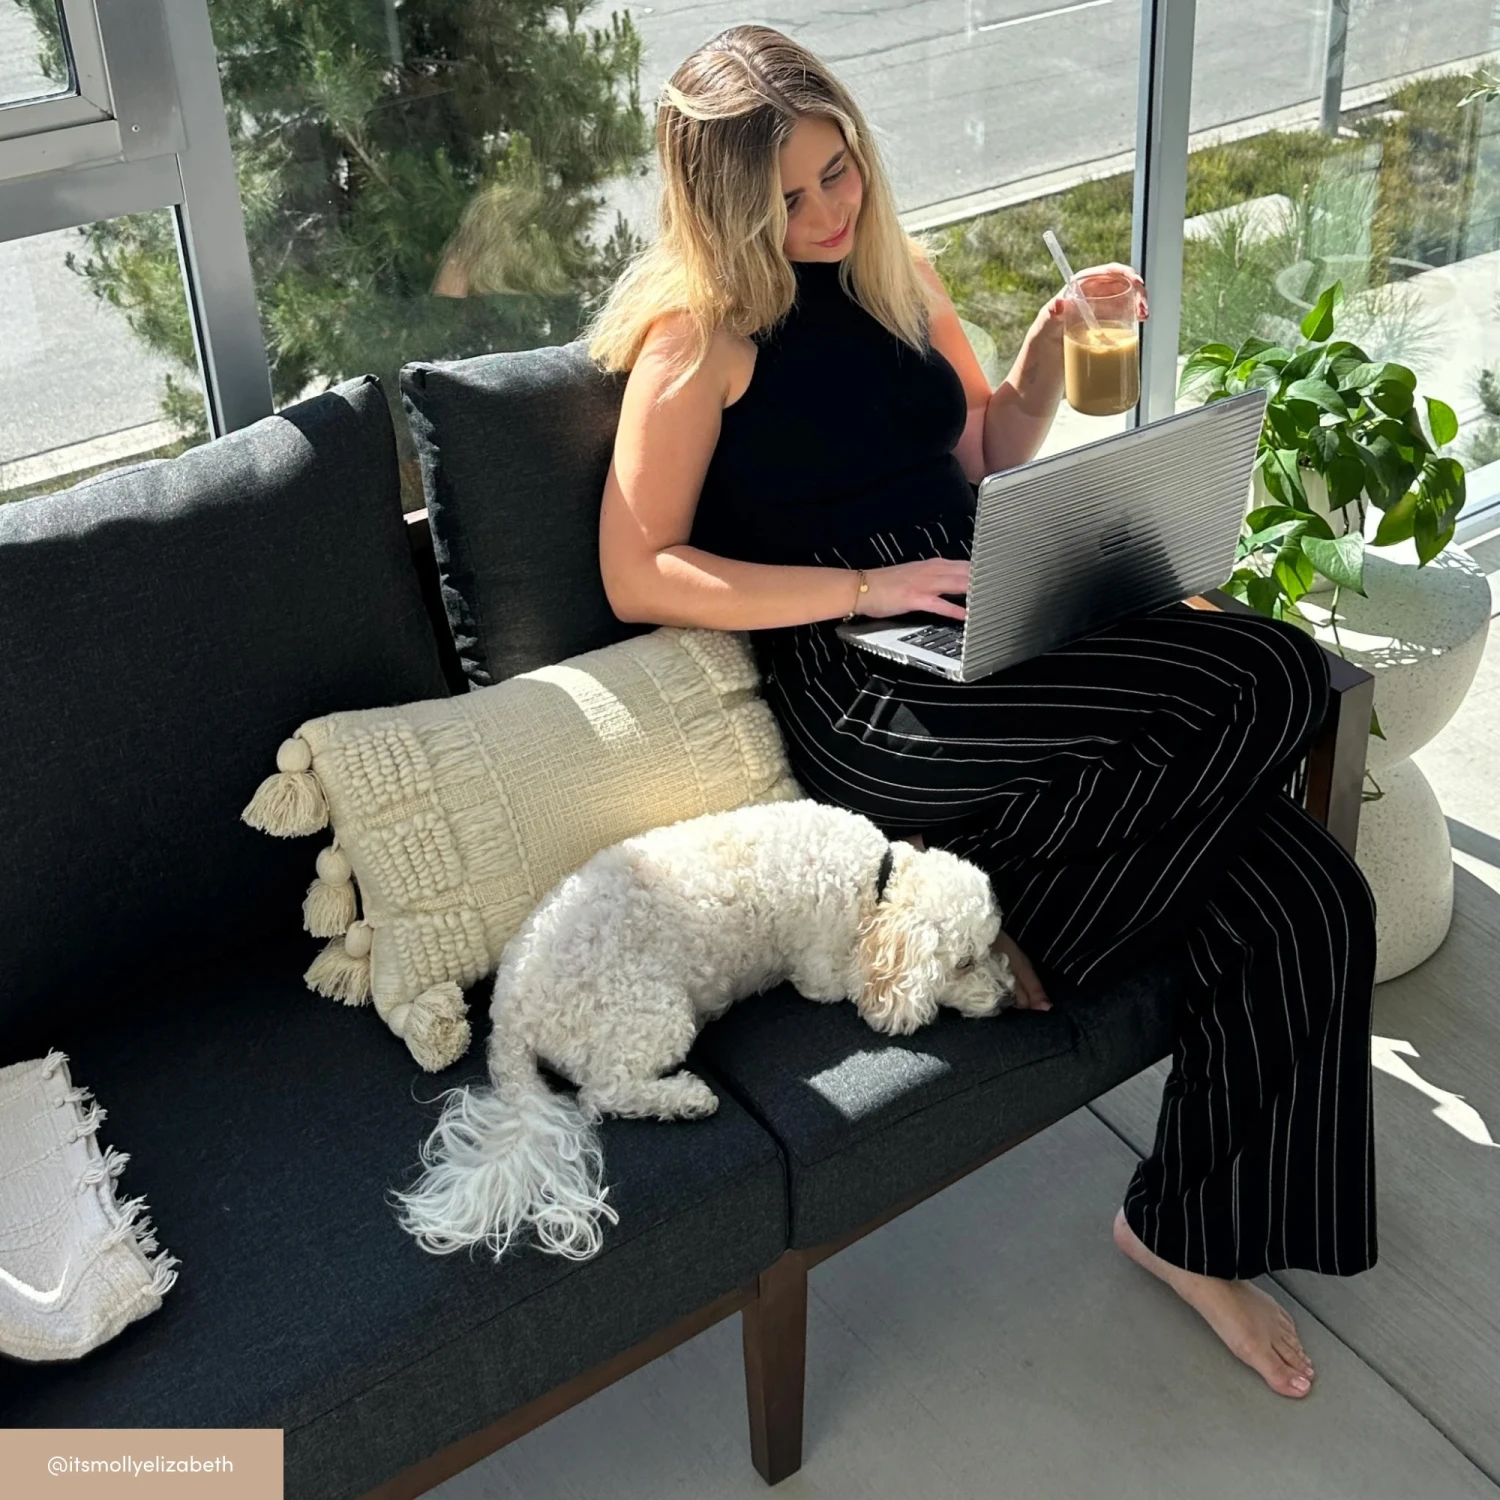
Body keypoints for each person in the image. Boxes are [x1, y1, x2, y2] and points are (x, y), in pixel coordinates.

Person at [587, 23, 1377, 1400]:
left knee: (1314, 899)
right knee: (1273, 673)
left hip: (993, 626)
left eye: (838, 171)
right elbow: (636, 568)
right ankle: (1036, 940)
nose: (827, 211)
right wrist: (861, 587)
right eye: (788, 198)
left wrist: (1045, 352)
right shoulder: (699, 340)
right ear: (723, 208)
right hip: (865, 683)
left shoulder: (896, 273)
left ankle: (1181, 1226)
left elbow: (985, 451)